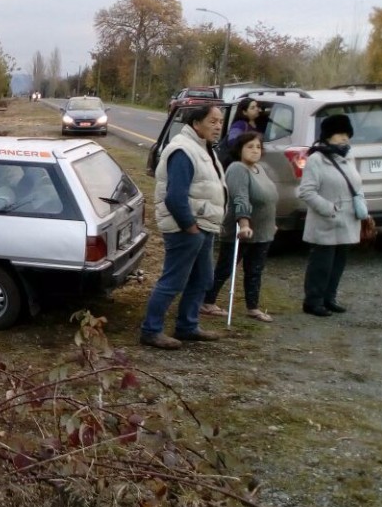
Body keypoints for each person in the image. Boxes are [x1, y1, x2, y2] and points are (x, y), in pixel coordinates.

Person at [139, 104, 227, 349]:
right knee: (173, 281)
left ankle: (187, 326)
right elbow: (175, 197)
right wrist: (190, 227)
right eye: (213, 121)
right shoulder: (183, 150)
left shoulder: (204, 148)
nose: (218, 126)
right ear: (196, 123)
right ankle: (151, 330)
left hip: (203, 226)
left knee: (202, 279)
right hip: (186, 228)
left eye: (220, 121)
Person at [200, 132, 279, 321]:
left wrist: (272, 223)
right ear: (240, 149)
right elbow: (240, 197)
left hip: (263, 231)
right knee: (225, 267)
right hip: (241, 230)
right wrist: (244, 223)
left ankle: (253, 307)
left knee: (255, 270)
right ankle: (207, 301)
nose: (255, 151)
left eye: (258, 147)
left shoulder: (260, 169)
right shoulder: (237, 169)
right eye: (250, 146)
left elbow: (269, 199)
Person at [297, 114, 364, 317]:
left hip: (347, 220)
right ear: (327, 136)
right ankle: (313, 301)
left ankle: (329, 298)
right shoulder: (316, 159)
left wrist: (362, 204)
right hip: (326, 220)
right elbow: (306, 191)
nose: (344, 138)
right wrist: (329, 209)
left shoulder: (348, 156)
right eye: (339, 134)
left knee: (338, 263)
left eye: (347, 134)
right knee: (321, 264)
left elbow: (356, 184)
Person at [221, 98, 262, 166]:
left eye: (257, 106)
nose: (256, 109)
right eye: (252, 108)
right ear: (244, 112)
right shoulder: (240, 125)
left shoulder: (260, 123)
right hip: (239, 162)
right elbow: (232, 141)